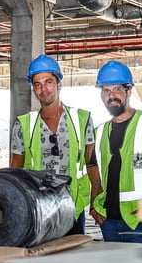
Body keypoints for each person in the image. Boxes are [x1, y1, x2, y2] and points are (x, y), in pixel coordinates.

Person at [10, 54, 98, 235]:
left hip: (74, 204)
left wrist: (95, 202)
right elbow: (15, 169)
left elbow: (92, 164)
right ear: (33, 89)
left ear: (59, 84)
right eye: (37, 84)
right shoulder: (24, 124)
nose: (43, 89)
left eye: (48, 81)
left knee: (72, 258)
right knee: (42, 260)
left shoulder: (82, 119)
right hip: (39, 207)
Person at [89, 60, 142, 243]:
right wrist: (93, 207)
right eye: (106, 90)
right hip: (109, 220)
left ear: (129, 92)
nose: (112, 95)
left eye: (117, 89)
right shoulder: (99, 132)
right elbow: (96, 173)